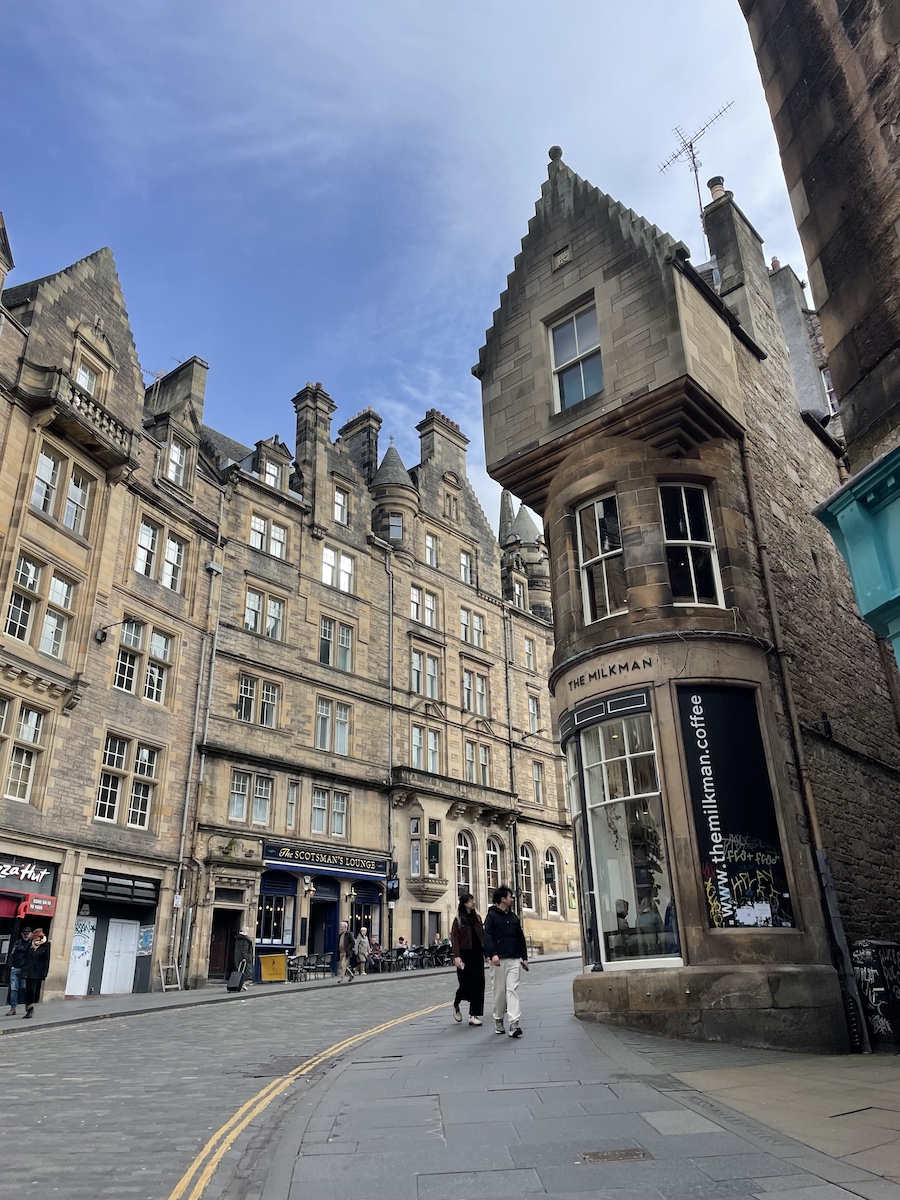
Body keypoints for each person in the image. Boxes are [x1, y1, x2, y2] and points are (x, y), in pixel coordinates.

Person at [482, 885, 528, 1038]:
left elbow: (520, 938)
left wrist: (524, 957)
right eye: (510, 896)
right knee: (500, 992)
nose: (512, 899)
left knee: (512, 989)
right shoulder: (491, 917)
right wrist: (493, 954)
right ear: (503, 899)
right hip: (498, 960)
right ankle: (498, 1018)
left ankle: (514, 1023)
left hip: (514, 958)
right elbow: (487, 936)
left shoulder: (514, 917)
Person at [450, 892, 485, 1027]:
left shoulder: (477, 918)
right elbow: (455, 939)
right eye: (471, 900)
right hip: (465, 955)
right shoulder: (458, 920)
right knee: (465, 984)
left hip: (477, 955)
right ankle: (456, 1004)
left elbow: (482, 936)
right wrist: (457, 956)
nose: (473, 902)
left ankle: (473, 1015)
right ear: (465, 903)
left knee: (478, 984)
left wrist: (486, 954)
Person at [21, 927, 51, 1019]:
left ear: (41, 937)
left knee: (32, 989)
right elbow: (25, 956)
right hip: (28, 970)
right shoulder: (30, 945)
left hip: (37, 971)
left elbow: (46, 960)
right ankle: (28, 1003)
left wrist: (44, 973)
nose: (35, 939)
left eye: (36, 937)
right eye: (34, 937)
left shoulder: (45, 946)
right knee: (25, 988)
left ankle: (30, 1007)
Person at [5, 925, 32, 1016]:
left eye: (27, 934)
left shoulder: (31, 944)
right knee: (13, 989)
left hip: (24, 970)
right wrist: (11, 966)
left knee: (23, 988)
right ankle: (13, 1008)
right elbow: (12, 954)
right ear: (22, 934)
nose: (26, 935)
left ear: (30, 934)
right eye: (24, 934)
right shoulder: (18, 943)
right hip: (15, 968)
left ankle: (27, 1005)